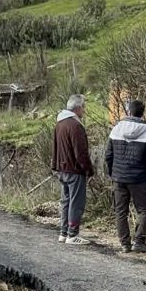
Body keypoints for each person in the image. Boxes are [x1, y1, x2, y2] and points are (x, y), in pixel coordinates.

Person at [105, 99, 146, 253]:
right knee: (145, 209)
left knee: (120, 211)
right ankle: (139, 241)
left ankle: (124, 244)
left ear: (128, 111)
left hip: (119, 177)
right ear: (143, 113)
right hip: (140, 178)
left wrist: (113, 173)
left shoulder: (116, 129)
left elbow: (108, 154)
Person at [51, 94, 95, 246]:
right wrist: (89, 170)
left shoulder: (60, 124)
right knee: (76, 203)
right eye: (84, 107)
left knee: (66, 202)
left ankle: (63, 233)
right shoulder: (75, 126)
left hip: (61, 169)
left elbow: (55, 147)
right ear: (78, 108)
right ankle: (73, 234)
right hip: (74, 169)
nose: (84, 110)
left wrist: (55, 166)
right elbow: (80, 152)